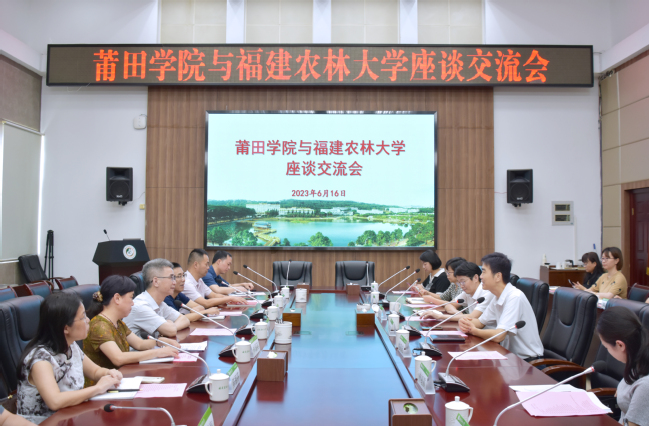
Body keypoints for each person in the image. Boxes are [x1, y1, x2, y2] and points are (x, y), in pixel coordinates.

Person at [16, 292, 123, 424]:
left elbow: (95, 371)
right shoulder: (40, 359)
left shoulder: (71, 346)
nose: (88, 320)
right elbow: (55, 401)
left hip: (69, 417)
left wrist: (109, 373)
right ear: (66, 328)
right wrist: (97, 388)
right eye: (83, 317)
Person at [83, 275, 179, 385]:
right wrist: (158, 352)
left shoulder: (118, 322)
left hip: (119, 380)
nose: (133, 303)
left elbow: (139, 344)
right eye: (131, 298)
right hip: (102, 387)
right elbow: (118, 358)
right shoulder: (100, 326)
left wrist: (159, 342)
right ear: (117, 298)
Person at [459, 252, 543, 361]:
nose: (481, 276)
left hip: (527, 362)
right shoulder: (497, 297)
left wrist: (473, 330)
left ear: (498, 276)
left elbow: (499, 335)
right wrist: (465, 322)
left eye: (484, 272)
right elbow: (480, 322)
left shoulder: (514, 297)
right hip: (508, 356)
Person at [597, 306, 649, 426]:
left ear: (620, 345)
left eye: (606, 347)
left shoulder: (645, 386)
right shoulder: (639, 361)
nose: (607, 351)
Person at [123, 258, 190, 340]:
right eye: (171, 278)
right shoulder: (141, 306)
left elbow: (184, 319)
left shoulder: (160, 304)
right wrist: (169, 327)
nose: (174, 282)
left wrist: (172, 326)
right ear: (156, 281)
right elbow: (170, 331)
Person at [420, 262, 494, 322]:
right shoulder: (467, 292)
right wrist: (458, 313)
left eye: (463, 282)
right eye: (459, 283)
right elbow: (449, 305)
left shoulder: (486, 293)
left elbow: (472, 317)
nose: (461, 286)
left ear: (475, 278)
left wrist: (440, 316)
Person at [182, 249, 247, 309]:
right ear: (196, 265)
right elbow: (205, 303)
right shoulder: (186, 282)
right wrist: (230, 298)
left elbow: (213, 295)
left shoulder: (199, 280)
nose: (208, 267)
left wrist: (230, 299)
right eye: (206, 264)